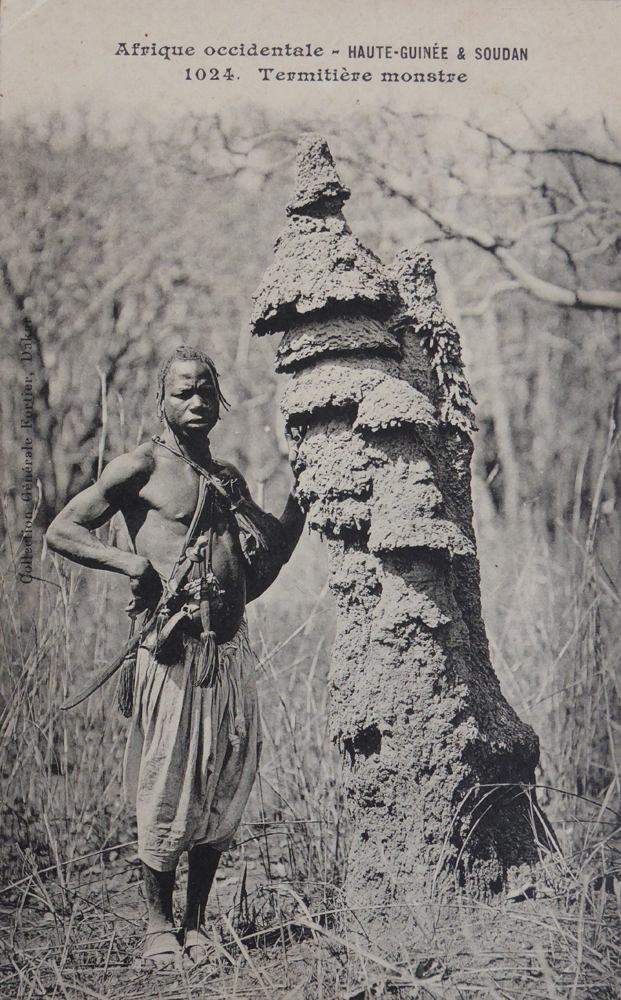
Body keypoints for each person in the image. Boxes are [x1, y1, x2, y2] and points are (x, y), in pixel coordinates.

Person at [45, 346, 305, 969]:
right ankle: (157, 927)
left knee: (220, 788)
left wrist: (301, 500)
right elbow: (61, 529)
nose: (196, 402)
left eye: (207, 393)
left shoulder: (229, 480)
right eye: (184, 392)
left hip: (230, 656)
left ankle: (195, 923)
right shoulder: (139, 466)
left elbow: (259, 571)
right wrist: (131, 564)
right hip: (172, 654)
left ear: (221, 403)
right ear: (162, 400)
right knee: (168, 785)